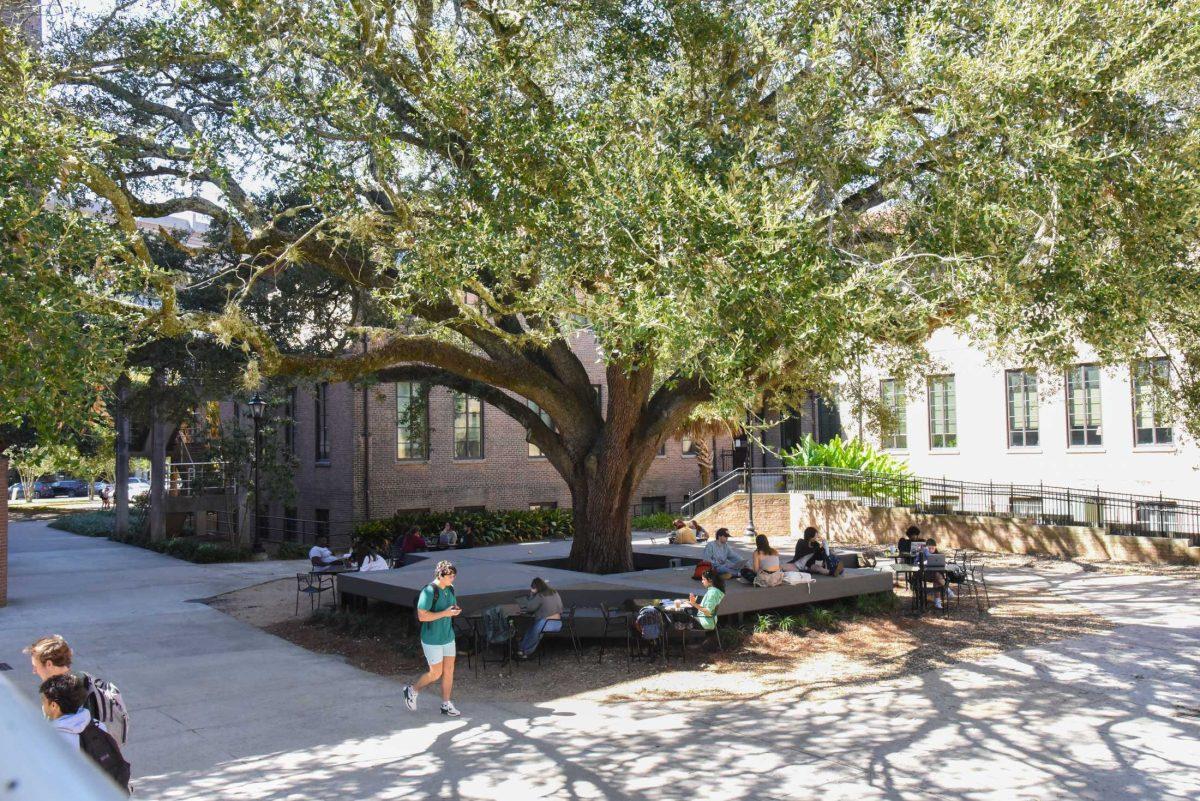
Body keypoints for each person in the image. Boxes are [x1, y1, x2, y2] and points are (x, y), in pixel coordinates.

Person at [25, 635, 129, 746]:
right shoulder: (81, 678)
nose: (34, 671)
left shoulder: (64, 692)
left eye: (35, 666)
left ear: (49, 664)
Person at [39, 673, 131, 793]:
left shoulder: (56, 739)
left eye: (43, 700)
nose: (42, 704)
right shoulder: (97, 725)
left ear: (54, 705)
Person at [403, 560, 462, 717]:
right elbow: (422, 616)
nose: (453, 579)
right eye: (451, 576)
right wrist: (445, 613)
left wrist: (455, 610)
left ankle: (446, 704)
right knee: (435, 673)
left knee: (449, 671)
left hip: (448, 636)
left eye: (454, 576)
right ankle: (412, 690)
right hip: (432, 639)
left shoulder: (450, 589)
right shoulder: (429, 591)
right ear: (441, 575)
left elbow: (451, 606)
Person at [515, 577, 564, 659]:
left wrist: (531, 594)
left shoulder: (540, 595)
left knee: (534, 632)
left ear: (536, 587)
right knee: (531, 629)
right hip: (558, 623)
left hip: (547, 624)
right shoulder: (554, 592)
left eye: (532, 587)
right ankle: (521, 647)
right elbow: (561, 607)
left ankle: (524, 651)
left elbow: (530, 607)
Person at [687, 569, 726, 637]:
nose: (702, 582)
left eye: (703, 579)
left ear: (710, 580)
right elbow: (708, 608)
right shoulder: (714, 591)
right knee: (684, 617)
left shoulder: (712, 593)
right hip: (708, 621)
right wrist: (692, 603)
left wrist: (694, 604)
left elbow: (708, 611)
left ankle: (689, 643)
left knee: (681, 619)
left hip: (705, 622)